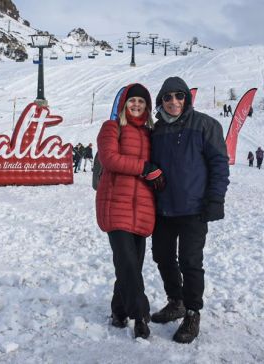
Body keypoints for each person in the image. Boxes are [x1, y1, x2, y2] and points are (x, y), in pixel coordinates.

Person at [150, 76, 230, 344]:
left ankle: (193, 312)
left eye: (179, 96)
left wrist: (215, 200)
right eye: (168, 97)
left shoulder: (205, 125)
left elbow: (219, 165)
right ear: (161, 100)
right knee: (162, 256)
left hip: (194, 209)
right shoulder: (156, 130)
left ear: (187, 98)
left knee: (190, 262)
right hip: (163, 209)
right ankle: (177, 301)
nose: (174, 102)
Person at [95, 83, 164, 340]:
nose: (137, 105)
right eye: (133, 101)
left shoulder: (150, 134)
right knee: (127, 264)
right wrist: (145, 167)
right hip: (115, 204)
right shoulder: (111, 128)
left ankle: (118, 311)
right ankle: (140, 315)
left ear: (147, 107)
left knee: (130, 266)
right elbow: (109, 158)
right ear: (124, 104)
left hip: (143, 208)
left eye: (142, 102)